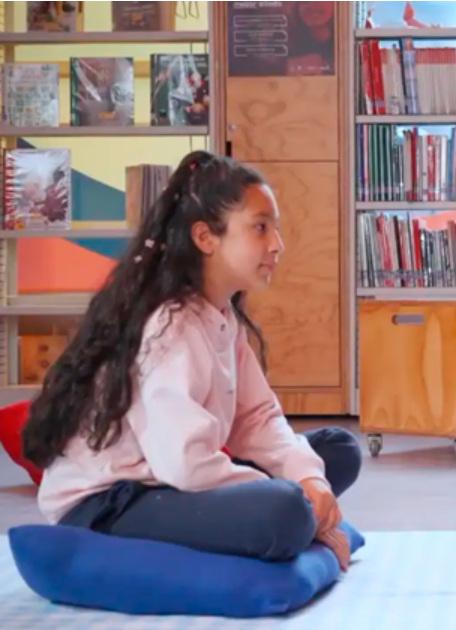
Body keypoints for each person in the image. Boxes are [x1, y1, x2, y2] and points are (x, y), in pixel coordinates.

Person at [20, 150, 362, 571]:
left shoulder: (221, 314)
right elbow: (185, 462)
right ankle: (295, 519)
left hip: (168, 479)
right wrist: (296, 499)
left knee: (337, 450)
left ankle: (295, 511)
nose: (277, 244)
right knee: (285, 510)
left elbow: (257, 419)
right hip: (110, 502)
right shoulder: (171, 324)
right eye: (260, 227)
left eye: (275, 229)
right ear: (205, 237)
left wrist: (309, 479)